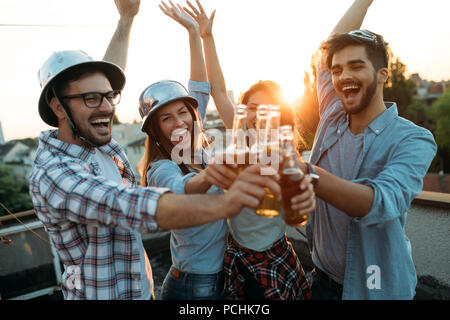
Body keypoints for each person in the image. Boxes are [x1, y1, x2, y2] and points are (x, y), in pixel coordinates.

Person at [29, 0, 282, 300]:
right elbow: (125, 204)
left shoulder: (99, 144)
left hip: (141, 289)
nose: (108, 106)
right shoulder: (53, 172)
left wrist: (127, 20)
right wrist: (233, 198)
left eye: (110, 97)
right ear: (59, 107)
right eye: (93, 99)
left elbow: (196, 91)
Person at [299, 0, 437, 299]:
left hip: (375, 291)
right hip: (320, 281)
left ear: (383, 75)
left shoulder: (414, 139)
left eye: (356, 66)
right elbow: (324, 53)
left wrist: (305, 173)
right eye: (337, 70)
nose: (343, 76)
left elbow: (382, 202)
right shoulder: (333, 112)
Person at [183, 0, 314, 300]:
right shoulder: (242, 138)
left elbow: (298, 213)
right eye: (252, 108)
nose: (257, 115)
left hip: (274, 257)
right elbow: (217, 89)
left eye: (267, 109)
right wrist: (207, 36)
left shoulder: (287, 156)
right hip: (236, 256)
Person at [138, 1, 226, 300]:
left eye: (183, 113)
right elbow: (181, 190)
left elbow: (199, 87)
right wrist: (221, 170)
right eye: (166, 118)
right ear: (156, 130)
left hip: (218, 278)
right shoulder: (161, 169)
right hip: (194, 286)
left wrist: (194, 32)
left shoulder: (200, 150)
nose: (179, 123)